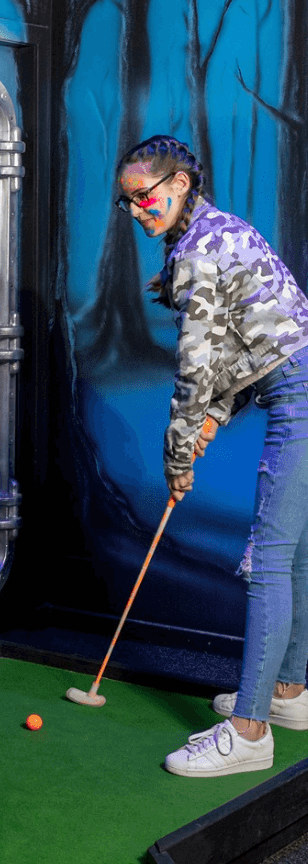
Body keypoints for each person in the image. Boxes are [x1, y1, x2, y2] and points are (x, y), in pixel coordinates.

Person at [114, 134, 308, 777]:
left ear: (179, 184)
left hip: (300, 395)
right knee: (297, 555)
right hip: (297, 382)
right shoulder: (223, 229)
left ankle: (249, 732)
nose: (136, 210)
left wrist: (178, 457)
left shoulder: (198, 253)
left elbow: (196, 373)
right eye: (127, 202)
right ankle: (287, 694)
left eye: (143, 196)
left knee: (269, 560)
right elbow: (252, 350)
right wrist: (212, 424)